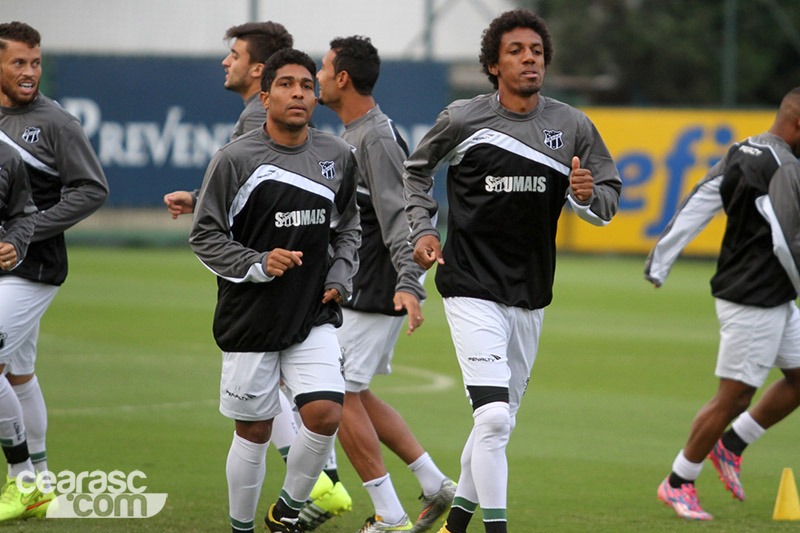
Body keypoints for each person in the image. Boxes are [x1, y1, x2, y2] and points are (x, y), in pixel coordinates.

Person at [404, 10, 621, 533]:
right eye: (517, 51)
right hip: (468, 286)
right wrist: (423, 230)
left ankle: (454, 525)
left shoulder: (572, 125)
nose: (530, 59)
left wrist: (588, 198)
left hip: (529, 293)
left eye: (537, 52)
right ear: (493, 64)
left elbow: (609, 198)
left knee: (497, 422)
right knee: (495, 418)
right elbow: (414, 172)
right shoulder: (462, 119)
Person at [164, 22, 351, 530]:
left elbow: (349, 224)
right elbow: (205, 236)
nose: (299, 94)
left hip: (312, 311)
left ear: (317, 96)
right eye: (287, 85)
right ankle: (241, 527)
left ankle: (286, 512)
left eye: (308, 85)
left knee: (326, 415)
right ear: (265, 95)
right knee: (254, 432)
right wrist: (257, 263)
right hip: (250, 315)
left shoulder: (337, 156)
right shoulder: (234, 159)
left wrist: (341, 274)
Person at [315, 35, 455, 533]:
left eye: (324, 68)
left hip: (374, 286)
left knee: (337, 395)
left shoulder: (375, 138)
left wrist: (409, 283)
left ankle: (389, 516)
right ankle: (436, 485)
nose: (317, 77)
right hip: (361, 286)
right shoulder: (354, 133)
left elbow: (403, 219)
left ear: (343, 78)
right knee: (357, 393)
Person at [645, 87, 800, 521]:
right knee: (732, 397)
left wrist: (661, 259)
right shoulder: (786, 167)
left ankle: (730, 447)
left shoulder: (742, 150)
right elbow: (788, 243)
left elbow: (702, 198)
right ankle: (678, 481)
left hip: (772, 295)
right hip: (753, 298)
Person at [0, 21, 109, 520]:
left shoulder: (57, 123)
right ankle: (41, 482)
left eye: (35, 62)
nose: (29, 72)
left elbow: (91, 189)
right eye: (18, 62)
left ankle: (22, 481)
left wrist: (24, 232)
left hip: (33, 266)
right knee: (18, 374)